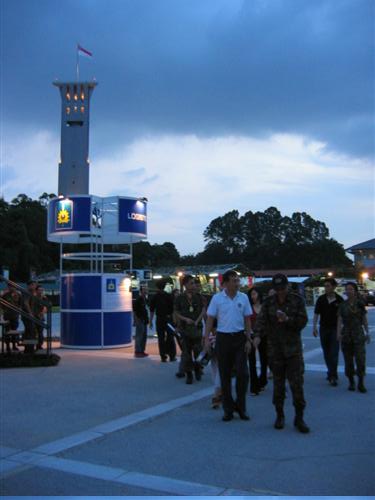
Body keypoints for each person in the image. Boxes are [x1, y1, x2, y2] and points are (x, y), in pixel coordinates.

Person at [253, 274, 310, 433]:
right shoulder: (269, 303)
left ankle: (299, 418)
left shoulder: (297, 301)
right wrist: (257, 336)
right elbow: (261, 321)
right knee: (278, 386)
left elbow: (302, 322)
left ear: (287, 287)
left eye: (282, 289)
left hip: (293, 351)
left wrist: (287, 319)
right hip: (275, 350)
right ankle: (279, 415)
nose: (280, 292)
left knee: (296, 385)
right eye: (277, 289)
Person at [204, 270, 253, 422]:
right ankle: (228, 409)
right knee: (224, 375)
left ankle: (241, 407)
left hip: (239, 338)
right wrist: (206, 339)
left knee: (243, 373)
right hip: (223, 339)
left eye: (238, 280)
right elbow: (210, 319)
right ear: (225, 283)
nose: (237, 283)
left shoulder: (243, 297)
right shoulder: (217, 298)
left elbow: (247, 319)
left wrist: (248, 339)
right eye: (233, 280)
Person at [337, 282, 370, 393]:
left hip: (358, 334)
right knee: (348, 361)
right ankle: (351, 381)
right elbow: (340, 320)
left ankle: (361, 382)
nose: (349, 291)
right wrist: (338, 334)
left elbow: (364, 319)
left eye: (351, 289)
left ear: (355, 291)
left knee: (360, 359)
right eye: (347, 289)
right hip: (346, 335)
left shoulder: (360, 303)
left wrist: (367, 332)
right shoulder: (342, 305)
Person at [174, 275, 206, 384]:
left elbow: (203, 309)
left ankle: (197, 369)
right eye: (191, 283)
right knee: (187, 354)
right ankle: (189, 375)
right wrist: (185, 319)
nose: (193, 285)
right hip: (185, 329)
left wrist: (198, 320)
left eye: (193, 283)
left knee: (198, 352)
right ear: (185, 285)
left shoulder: (198, 296)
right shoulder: (180, 298)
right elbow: (176, 312)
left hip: (197, 329)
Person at [313, 278, 344, 386]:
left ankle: (333, 375)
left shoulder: (339, 300)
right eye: (325, 286)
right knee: (326, 352)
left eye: (328, 286)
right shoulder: (321, 299)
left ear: (334, 287)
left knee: (334, 353)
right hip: (323, 329)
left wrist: (340, 332)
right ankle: (331, 371)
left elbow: (341, 317)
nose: (326, 288)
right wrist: (314, 327)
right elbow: (316, 314)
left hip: (335, 329)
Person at [149, 281, 176, 362]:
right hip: (168, 319)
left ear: (157, 287)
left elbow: (152, 310)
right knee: (170, 337)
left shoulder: (154, 297)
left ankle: (163, 356)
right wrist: (174, 320)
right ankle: (172, 356)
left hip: (159, 319)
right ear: (164, 287)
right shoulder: (169, 296)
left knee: (161, 338)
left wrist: (150, 321)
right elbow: (173, 309)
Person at [247, 287, 268, 395]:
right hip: (251, 336)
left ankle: (263, 380)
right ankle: (254, 387)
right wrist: (250, 334)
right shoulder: (249, 308)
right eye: (251, 294)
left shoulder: (265, 307)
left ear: (259, 294)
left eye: (254, 294)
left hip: (264, 336)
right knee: (251, 362)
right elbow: (246, 322)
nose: (253, 296)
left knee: (265, 360)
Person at [1, 283, 22, 352]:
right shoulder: (5, 294)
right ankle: (7, 346)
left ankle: (14, 345)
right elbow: (1, 304)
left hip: (15, 315)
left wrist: (18, 310)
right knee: (7, 332)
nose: (11, 288)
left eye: (13, 286)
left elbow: (20, 304)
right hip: (7, 315)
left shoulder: (18, 294)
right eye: (10, 286)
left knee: (14, 331)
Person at [21, 280, 38, 354]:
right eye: (34, 285)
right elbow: (26, 303)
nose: (35, 286)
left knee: (30, 331)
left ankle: (29, 348)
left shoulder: (31, 292)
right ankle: (29, 349)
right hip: (27, 316)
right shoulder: (26, 292)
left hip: (29, 315)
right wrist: (30, 313)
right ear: (30, 285)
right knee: (31, 331)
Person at [133, 286, 149, 358]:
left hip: (144, 320)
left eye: (146, 289)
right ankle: (138, 351)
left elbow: (145, 310)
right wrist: (135, 320)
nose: (146, 291)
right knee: (139, 336)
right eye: (145, 290)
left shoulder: (145, 299)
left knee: (144, 336)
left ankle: (142, 350)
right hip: (140, 320)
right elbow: (135, 311)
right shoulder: (138, 300)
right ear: (141, 291)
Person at [34, 285, 48, 350]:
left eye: (42, 290)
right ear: (36, 291)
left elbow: (46, 307)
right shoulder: (33, 297)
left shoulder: (44, 298)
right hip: (34, 317)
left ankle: (39, 345)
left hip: (41, 317)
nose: (41, 291)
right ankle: (33, 346)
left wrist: (43, 312)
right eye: (39, 290)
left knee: (40, 332)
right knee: (33, 332)